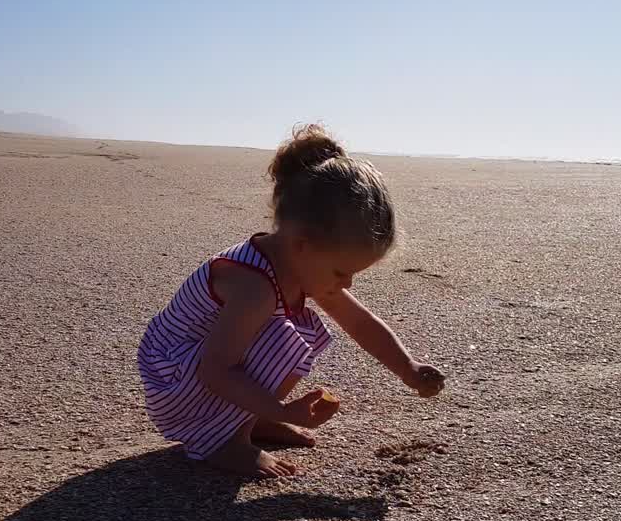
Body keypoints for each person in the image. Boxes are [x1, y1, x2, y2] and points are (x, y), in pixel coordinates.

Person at [137, 124, 445, 478]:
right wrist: (283, 409)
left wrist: (408, 368)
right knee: (282, 340)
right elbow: (215, 370)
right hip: (175, 384)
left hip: (199, 371)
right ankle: (226, 442)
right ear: (301, 243)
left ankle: (252, 420)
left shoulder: (296, 262)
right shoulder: (254, 288)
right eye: (342, 270)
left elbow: (359, 323)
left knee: (300, 332)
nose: (348, 282)